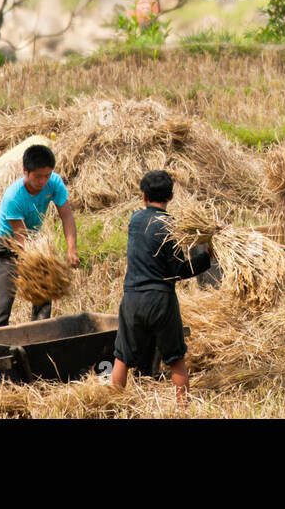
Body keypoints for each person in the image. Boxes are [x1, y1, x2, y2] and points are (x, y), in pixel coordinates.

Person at [110, 170, 213, 407]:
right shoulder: (170, 226)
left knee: (122, 358)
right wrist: (205, 257)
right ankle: (182, 409)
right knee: (176, 359)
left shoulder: (135, 220)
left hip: (132, 298)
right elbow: (178, 271)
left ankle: (113, 407)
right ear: (172, 196)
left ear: (144, 196)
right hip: (160, 300)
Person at [0, 143, 79, 329]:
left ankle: (40, 335)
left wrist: (71, 250)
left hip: (31, 242)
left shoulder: (55, 183)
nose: (43, 181)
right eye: (37, 176)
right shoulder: (14, 197)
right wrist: (41, 261)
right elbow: (21, 238)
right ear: (25, 172)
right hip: (6, 246)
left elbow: (67, 216)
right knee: (5, 299)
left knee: (44, 293)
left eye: (47, 175)